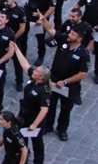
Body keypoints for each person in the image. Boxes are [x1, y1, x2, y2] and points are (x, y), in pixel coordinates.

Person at [35, 13, 89, 142]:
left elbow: (82, 74)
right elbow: (51, 30)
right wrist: (44, 20)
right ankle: (48, 126)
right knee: (50, 105)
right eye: (70, 33)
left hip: (68, 87)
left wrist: (65, 82)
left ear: (80, 39)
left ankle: (62, 129)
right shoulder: (64, 40)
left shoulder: (83, 55)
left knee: (66, 109)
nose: (69, 35)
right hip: (53, 81)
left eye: (72, 35)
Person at [11, 42, 50, 164]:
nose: (34, 71)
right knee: (22, 138)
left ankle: (38, 162)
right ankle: (24, 157)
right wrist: (17, 50)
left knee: (37, 141)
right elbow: (25, 65)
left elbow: (44, 110)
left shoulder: (43, 91)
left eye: (37, 71)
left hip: (35, 119)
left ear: (42, 77)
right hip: (23, 114)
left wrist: (34, 125)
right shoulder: (34, 79)